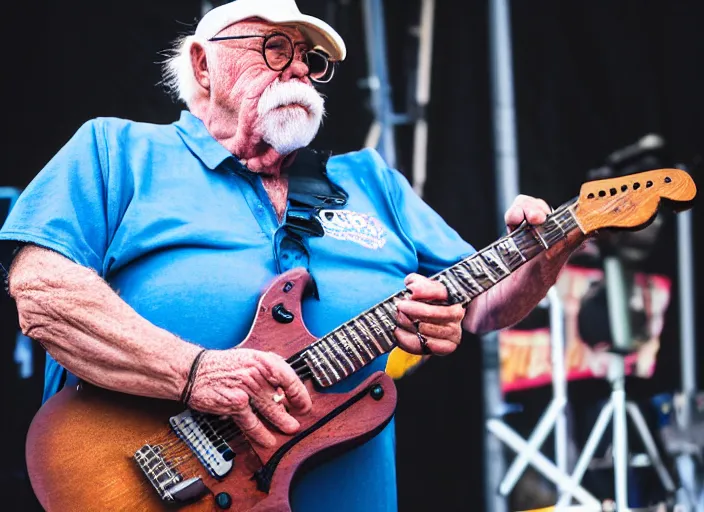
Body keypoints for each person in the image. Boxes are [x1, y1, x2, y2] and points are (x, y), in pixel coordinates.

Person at [0, 1, 584, 510]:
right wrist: (195, 374)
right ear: (204, 65)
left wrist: (550, 249)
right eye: (275, 48)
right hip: (147, 479)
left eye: (311, 58)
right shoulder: (117, 150)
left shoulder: (370, 179)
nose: (301, 67)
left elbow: (482, 303)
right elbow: (44, 295)